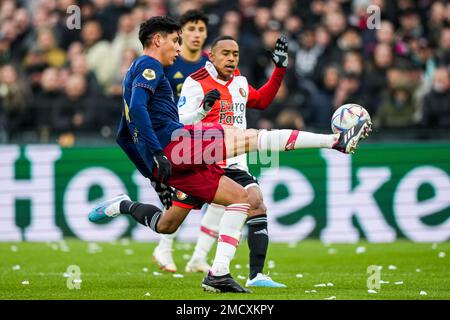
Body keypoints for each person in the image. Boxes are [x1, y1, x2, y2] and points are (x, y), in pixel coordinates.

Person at [88, 16, 371, 293]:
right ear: (157, 40)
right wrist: (159, 153)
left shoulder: (133, 72)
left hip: (170, 158)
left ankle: (211, 269)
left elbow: (122, 135)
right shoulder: (151, 65)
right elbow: (138, 109)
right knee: (250, 139)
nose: (179, 47)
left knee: (215, 207)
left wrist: (152, 173)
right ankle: (335, 141)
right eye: (176, 41)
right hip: (178, 144)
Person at [171, 34, 289, 288]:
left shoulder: (241, 83)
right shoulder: (195, 83)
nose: (231, 58)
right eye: (225, 53)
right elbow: (179, 124)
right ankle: (123, 206)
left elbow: (263, 101)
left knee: (255, 202)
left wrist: (279, 70)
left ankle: (254, 275)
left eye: (235, 54)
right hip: (203, 162)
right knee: (167, 223)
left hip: (234, 163)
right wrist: (202, 110)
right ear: (211, 56)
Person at [152, 10, 210, 273]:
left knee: (219, 195)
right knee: (183, 193)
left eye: (201, 29)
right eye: (191, 29)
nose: (196, 34)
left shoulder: (211, 63)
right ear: (181, 34)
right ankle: (166, 247)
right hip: (176, 137)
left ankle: (197, 256)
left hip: (208, 136)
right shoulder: (169, 63)